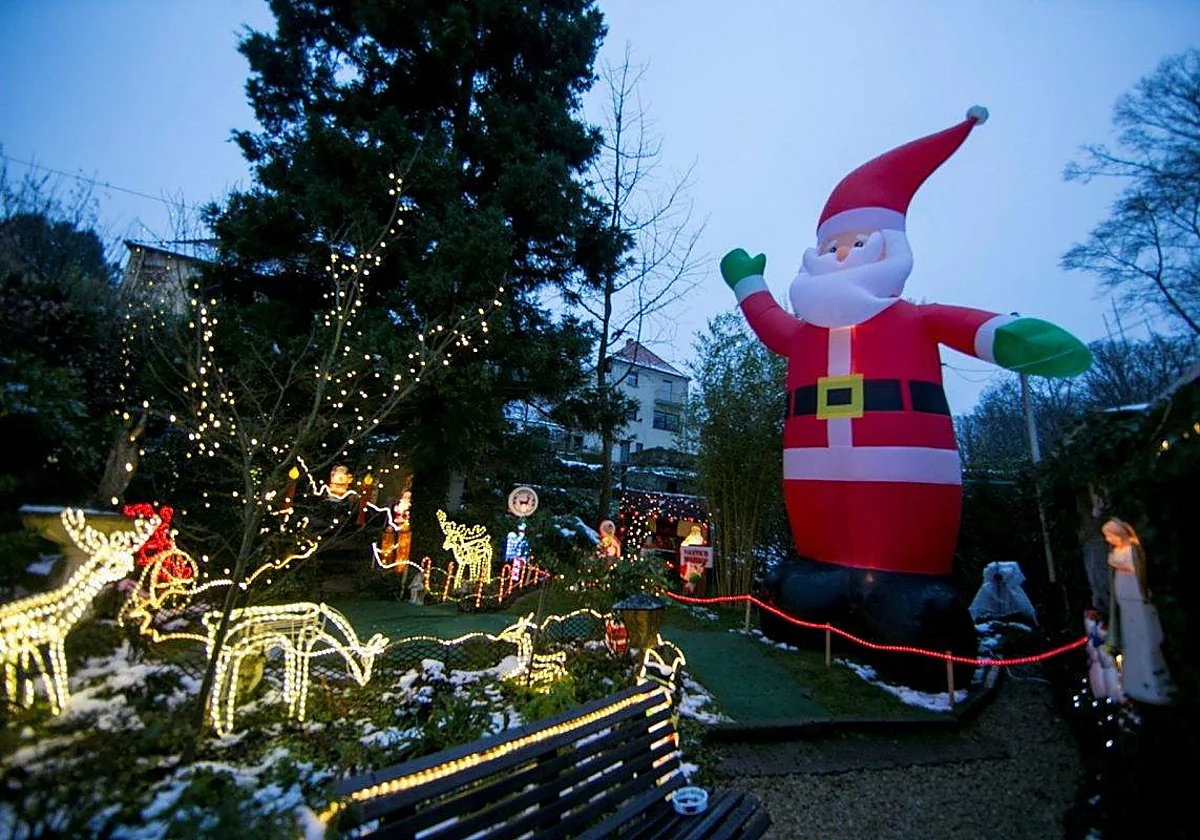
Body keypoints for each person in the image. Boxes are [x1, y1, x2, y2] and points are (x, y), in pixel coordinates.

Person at [718, 105, 1091, 666]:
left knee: (910, 606)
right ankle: (817, 576)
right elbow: (771, 321)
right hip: (813, 492)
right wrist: (748, 281)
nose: (840, 253)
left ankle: (906, 591)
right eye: (830, 245)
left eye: (856, 241)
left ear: (889, 246)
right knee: (809, 577)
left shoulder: (911, 321)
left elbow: (969, 327)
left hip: (905, 492)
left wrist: (1014, 339)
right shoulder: (805, 337)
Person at [1103, 518, 1175, 705]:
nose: (1108, 539)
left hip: (1136, 597)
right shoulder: (1115, 551)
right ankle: (1134, 679)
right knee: (1131, 637)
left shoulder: (1132, 549)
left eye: (1110, 535)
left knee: (1144, 636)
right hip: (1124, 598)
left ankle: (1152, 678)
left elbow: (1138, 571)